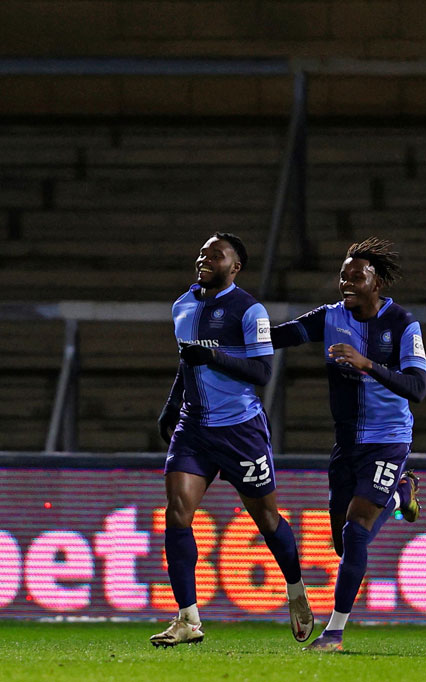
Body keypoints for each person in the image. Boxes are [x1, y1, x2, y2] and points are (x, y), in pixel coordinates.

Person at [153, 232, 313, 647]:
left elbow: (262, 372)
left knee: (267, 519)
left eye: (215, 254)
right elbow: (186, 362)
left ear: (235, 267)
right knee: (176, 512)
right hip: (194, 429)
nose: (204, 257)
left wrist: (213, 357)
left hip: (240, 429)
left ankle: (295, 591)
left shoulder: (249, 310)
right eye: (202, 251)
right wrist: (173, 404)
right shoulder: (182, 305)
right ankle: (188, 619)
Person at [270, 237, 426, 652]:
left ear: (377, 282)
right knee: (342, 540)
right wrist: (235, 336)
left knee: (356, 534)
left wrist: (368, 364)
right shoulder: (330, 318)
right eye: (343, 276)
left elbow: (418, 387)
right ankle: (399, 495)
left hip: (388, 440)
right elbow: (282, 336)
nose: (347, 283)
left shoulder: (403, 324)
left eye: (357, 277)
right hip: (346, 444)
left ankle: (335, 633)